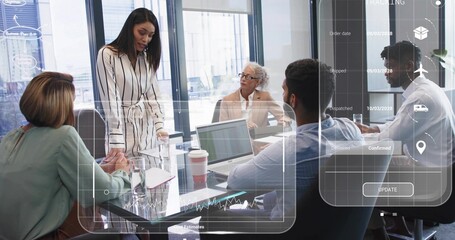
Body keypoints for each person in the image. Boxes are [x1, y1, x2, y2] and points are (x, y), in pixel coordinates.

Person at [199, 59, 364, 236]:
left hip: (287, 232)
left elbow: (235, 181)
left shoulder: (288, 152)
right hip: (332, 229)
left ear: (292, 100)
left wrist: (266, 158)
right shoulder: (351, 130)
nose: (282, 95)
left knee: (209, 218)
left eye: (284, 90)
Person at [0, 72, 130, 240]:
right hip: (46, 237)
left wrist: (99, 169)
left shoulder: (11, 137)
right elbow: (101, 191)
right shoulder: (63, 135)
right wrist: (122, 172)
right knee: (125, 233)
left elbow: (42, 173)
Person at [356, 41, 455, 239]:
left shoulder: (420, 98)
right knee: (376, 164)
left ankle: (377, 235)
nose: (386, 72)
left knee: (359, 177)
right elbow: (400, 127)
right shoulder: (428, 89)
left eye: (390, 67)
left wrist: (357, 137)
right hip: (438, 172)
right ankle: (400, 228)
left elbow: (388, 140)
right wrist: (372, 129)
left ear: (409, 66)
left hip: (431, 181)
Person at [96, 7, 168, 158]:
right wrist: (116, 138)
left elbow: (153, 96)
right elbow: (110, 99)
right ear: (129, 29)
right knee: (123, 178)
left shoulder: (146, 59)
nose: (146, 39)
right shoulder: (107, 54)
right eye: (142, 33)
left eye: (150, 35)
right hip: (122, 132)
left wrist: (159, 126)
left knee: (151, 177)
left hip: (147, 131)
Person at [219, 62, 289, 129]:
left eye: (248, 77)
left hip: (260, 139)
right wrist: (242, 128)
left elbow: (283, 116)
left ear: (258, 82)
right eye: (242, 75)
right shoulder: (227, 100)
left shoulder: (265, 97)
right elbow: (223, 129)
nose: (243, 79)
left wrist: (282, 123)